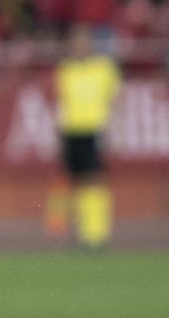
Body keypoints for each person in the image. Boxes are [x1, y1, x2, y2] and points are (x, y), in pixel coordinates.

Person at [45, 24, 121, 249]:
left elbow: (115, 102)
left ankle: (96, 234)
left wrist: (111, 131)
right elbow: (60, 104)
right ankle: (72, 232)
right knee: (71, 182)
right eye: (75, 42)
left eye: (83, 41)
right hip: (71, 130)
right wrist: (58, 134)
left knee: (93, 180)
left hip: (93, 130)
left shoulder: (104, 68)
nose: (79, 46)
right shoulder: (65, 70)